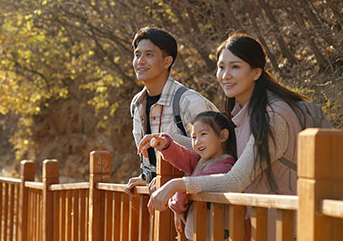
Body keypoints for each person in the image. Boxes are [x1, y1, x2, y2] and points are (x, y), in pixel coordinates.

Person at [147, 33, 303, 239]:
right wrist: (166, 141)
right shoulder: (244, 111)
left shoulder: (273, 117)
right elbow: (215, 146)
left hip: (288, 228)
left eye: (235, 67)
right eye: (221, 67)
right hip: (263, 226)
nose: (225, 75)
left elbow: (235, 179)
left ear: (256, 72)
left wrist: (178, 184)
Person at [124, 26, 219, 196]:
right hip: (161, 201)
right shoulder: (136, 104)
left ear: (167, 62)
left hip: (193, 201)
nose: (140, 61)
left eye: (149, 55)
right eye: (137, 55)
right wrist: (148, 177)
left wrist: (176, 181)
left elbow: (219, 153)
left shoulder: (189, 102)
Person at [138, 111, 236, 240]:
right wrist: (166, 145)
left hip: (215, 234)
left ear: (223, 135)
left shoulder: (224, 165)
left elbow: (191, 182)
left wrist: (177, 207)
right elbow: (183, 157)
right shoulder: (203, 161)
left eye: (203, 134)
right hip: (199, 233)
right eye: (194, 137)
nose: (197, 141)